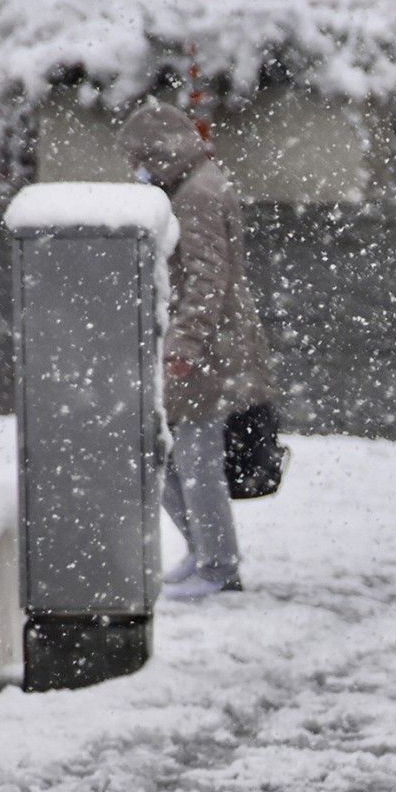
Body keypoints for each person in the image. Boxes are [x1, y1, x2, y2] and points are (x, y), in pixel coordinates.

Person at [119, 101, 277, 601]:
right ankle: (204, 551)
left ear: (157, 153)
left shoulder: (196, 194)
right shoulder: (196, 182)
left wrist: (184, 343)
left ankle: (217, 565)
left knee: (193, 458)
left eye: (138, 158)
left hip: (210, 347)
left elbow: (210, 278)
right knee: (173, 457)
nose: (134, 170)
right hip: (212, 341)